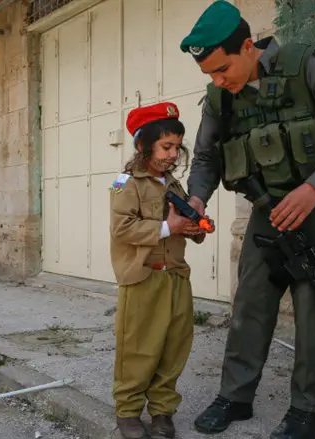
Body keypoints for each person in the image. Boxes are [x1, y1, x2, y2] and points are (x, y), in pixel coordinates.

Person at [178, 2, 315, 439]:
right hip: (266, 210)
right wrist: (196, 198)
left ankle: (309, 410)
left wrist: (314, 187)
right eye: (209, 75)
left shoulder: (309, 65)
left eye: (221, 69)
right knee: (250, 303)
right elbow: (206, 157)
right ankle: (235, 396)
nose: (218, 81)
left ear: (248, 46)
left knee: (314, 308)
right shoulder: (220, 96)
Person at [109, 102, 212, 439]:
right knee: (138, 348)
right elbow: (122, 229)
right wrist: (169, 227)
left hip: (176, 277)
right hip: (143, 278)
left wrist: (193, 228)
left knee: (173, 348)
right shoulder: (127, 184)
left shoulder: (175, 187)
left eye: (177, 147)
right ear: (143, 145)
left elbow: (183, 226)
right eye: (166, 146)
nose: (172, 155)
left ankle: (162, 412)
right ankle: (128, 412)